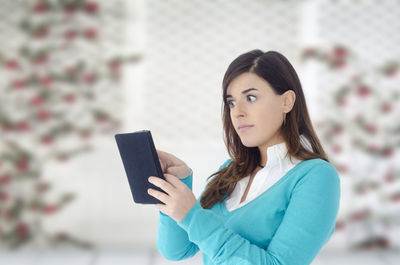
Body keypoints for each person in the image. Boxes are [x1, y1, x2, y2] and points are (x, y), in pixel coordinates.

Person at [147, 50, 341, 265]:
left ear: (286, 101)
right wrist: (179, 183)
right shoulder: (231, 171)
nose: (237, 112)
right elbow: (176, 250)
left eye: (250, 98)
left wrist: (192, 216)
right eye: (231, 102)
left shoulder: (315, 177)